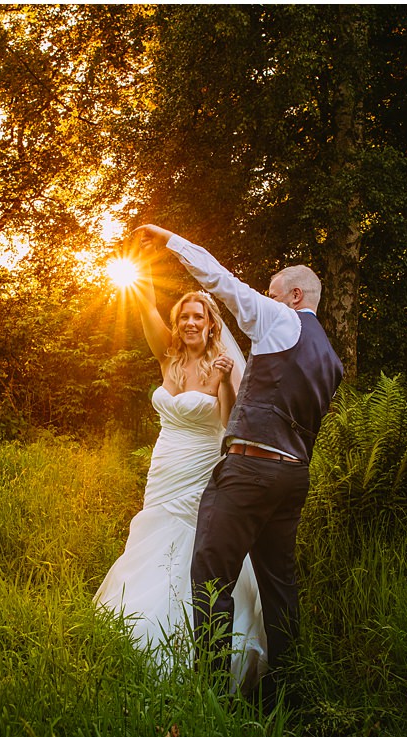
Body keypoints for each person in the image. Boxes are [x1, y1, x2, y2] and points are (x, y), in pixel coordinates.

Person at [133, 224, 344, 705]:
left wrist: (167, 239)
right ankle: (289, 689)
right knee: (279, 583)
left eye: (272, 293)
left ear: (293, 294)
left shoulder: (281, 320)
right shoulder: (331, 359)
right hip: (293, 477)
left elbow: (220, 280)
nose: (265, 299)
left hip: (249, 470)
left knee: (210, 573)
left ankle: (211, 690)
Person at [94, 266, 267, 691]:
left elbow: (229, 425)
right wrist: (138, 269)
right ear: (178, 325)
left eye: (199, 317)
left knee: (192, 546)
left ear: (211, 326)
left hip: (200, 467)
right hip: (164, 466)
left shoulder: (223, 365)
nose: (191, 322)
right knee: (152, 535)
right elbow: (145, 307)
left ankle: (195, 650)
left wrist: (225, 380)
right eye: (184, 316)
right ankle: (138, 629)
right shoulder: (167, 360)